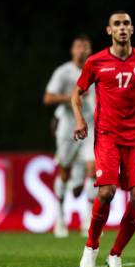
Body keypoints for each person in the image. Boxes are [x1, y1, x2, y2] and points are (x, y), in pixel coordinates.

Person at [73, 11, 135, 267]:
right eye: (117, 24)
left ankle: (116, 255)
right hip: (107, 135)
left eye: (126, 24)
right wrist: (80, 121)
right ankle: (91, 246)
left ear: (132, 30)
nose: (122, 28)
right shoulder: (95, 62)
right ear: (109, 31)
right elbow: (76, 95)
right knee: (106, 192)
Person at [43, 35, 97, 238]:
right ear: (72, 50)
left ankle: (87, 221)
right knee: (64, 171)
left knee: (94, 170)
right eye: (78, 47)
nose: (82, 50)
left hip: (90, 126)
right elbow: (48, 97)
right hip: (67, 127)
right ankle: (60, 217)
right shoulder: (64, 72)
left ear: (90, 50)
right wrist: (73, 97)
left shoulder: (96, 68)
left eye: (85, 46)